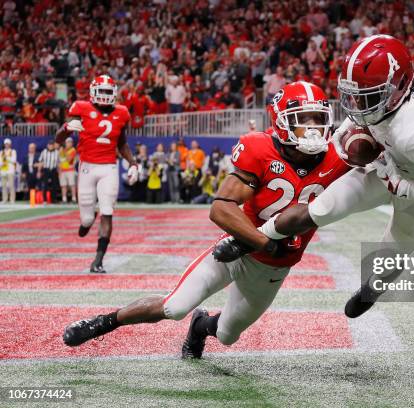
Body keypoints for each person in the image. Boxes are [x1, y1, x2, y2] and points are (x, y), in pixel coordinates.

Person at [62, 82, 348, 360]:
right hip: (237, 248)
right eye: (303, 120)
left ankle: (200, 326)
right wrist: (265, 243)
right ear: (282, 122)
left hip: (273, 270)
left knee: (227, 335)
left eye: (318, 119)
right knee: (174, 306)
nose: (313, 129)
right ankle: (103, 322)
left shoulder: (340, 156)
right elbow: (221, 209)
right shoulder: (261, 148)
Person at [214, 35, 414, 319]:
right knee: (321, 208)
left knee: (393, 254)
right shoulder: (393, 93)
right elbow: (371, 121)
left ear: (397, 90)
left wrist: (406, 188)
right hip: (387, 168)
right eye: (357, 94)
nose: (357, 104)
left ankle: (373, 290)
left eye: (369, 96)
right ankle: (248, 240)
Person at [55, 75, 139, 274]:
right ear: (92, 92)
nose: (104, 96)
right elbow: (58, 139)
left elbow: (122, 143)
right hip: (86, 167)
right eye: (100, 91)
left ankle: (98, 260)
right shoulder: (81, 108)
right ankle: (88, 218)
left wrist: (133, 163)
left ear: (114, 94)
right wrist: (66, 128)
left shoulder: (121, 112)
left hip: (109, 167)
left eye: (108, 92)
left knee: (107, 211)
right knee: (85, 220)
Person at [58, 137, 78, 203]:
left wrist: (63, 151)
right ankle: (64, 199)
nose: (69, 144)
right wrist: (59, 171)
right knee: (63, 185)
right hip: (63, 171)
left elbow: (69, 160)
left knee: (72, 185)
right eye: (67, 142)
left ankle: (74, 199)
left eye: (70, 142)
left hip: (70, 170)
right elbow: (60, 161)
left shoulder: (73, 150)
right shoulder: (61, 150)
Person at [0, 138, 17, 203]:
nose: (6, 145)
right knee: (3, 186)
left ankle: (12, 199)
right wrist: (2, 163)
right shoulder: (1, 152)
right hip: (3, 170)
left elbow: (14, 160)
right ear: (4, 145)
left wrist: (6, 158)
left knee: (11, 185)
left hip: (10, 171)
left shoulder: (13, 151)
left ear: (10, 144)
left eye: (8, 144)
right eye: (5, 144)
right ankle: (4, 199)